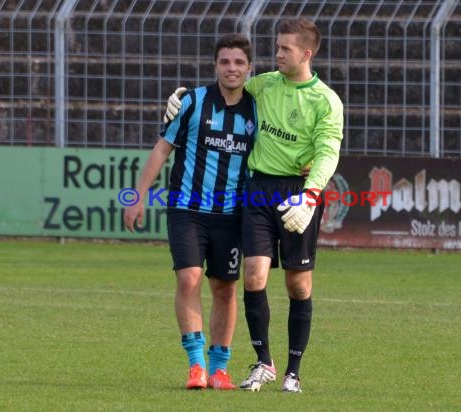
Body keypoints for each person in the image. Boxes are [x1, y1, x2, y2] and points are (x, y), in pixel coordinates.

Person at [165, 18, 344, 393]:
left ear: (306, 54)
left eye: (285, 49)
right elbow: (228, 87)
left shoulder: (326, 100)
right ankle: (263, 363)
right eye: (277, 47)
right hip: (259, 190)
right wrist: (180, 101)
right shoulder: (265, 84)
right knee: (253, 277)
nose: (277, 54)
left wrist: (310, 195)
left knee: (297, 285)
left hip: (300, 193)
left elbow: (328, 152)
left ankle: (293, 372)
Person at [123, 33, 257, 390]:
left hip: (232, 213)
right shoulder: (193, 102)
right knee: (189, 278)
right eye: (225, 62)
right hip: (186, 208)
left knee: (225, 288)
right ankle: (196, 365)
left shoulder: (257, 109)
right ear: (215, 66)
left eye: (239, 62)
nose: (232, 68)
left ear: (249, 68)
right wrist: (138, 195)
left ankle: (220, 368)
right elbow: (162, 149)